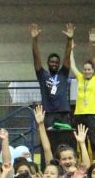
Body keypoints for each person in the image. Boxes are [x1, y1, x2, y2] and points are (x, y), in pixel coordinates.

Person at [30, 22, 77, 160]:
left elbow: (67, 57)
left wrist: (69, 39)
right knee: (47, 142)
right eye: (52, 62)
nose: (55, 64)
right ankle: (48, 166)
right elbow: (36, 58)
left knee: (66, 143)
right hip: (48, 114)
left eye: (57, 62)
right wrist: (34, 40)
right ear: (48, 63)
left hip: (64, 113)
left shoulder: (63, 73)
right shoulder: (42, 75)